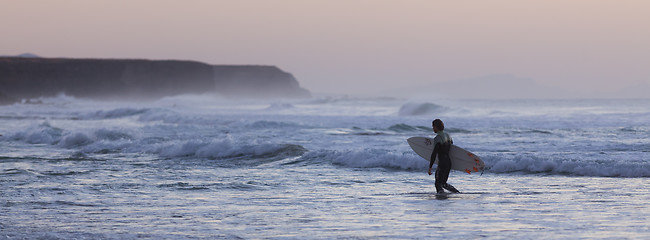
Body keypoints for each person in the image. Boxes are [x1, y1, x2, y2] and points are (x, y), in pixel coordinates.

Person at [428, 119, 460, 194]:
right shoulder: (448, 136)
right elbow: (452, 149)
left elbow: (434, 153)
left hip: (442, 163)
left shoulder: (437, 138)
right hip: (448, 163)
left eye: (433, 127)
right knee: (443, 183)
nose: (433, 129)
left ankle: (440, 198)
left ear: (436, 127)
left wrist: (430, 167)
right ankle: (457, 193)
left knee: (438, 184)